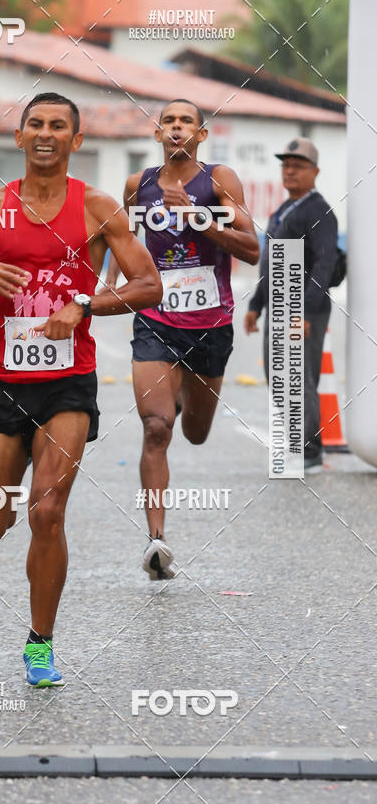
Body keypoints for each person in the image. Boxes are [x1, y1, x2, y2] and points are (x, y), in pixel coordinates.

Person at [0, 92, 162, 687]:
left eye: (59, 126)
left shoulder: (99, 208)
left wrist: (83, 304)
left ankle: (40, 644)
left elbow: (149, 285)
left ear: (76, 141)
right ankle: (12, 467)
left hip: (67, 387)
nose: (47, 133)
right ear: (20, 137)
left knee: (47, 513)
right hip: (4, 384)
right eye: (37, 125)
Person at [106, 99, 259, 580]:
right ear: (157, 134)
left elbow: (252, 248)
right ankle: (156, 542)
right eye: (168, 121)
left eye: (185, 122)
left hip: (211, 325)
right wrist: (110, 286)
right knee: (156, 428)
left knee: (194, 432)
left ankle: (194, 412)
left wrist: (199, 218)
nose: (176, 128)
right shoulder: (139, 185)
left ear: (201, 134)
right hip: (155, 320)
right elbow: (122, 239)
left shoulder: (219, 181)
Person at [244, 138, 338, 472]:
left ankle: (310, 451)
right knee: (278, 374)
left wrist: (307, 311)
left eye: (298, 166)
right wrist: (256, 304)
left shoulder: (320, 211)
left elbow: (325, 264)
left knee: (301, 376)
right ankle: (295, 442)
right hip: (279, 303)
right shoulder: (282, 210)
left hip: (304, 307)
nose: (290, 171)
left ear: (316, 171)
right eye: (286, 165)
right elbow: (271, 263)